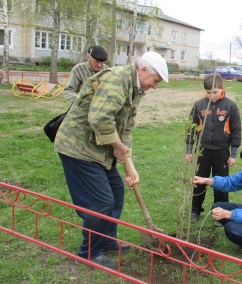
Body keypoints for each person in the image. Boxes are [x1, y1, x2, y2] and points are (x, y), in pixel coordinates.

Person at [54, 51, 168, 269]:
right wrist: (116, 146)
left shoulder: (134, 88)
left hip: (99, 150)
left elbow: (126, 126)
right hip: (79, 147)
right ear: (143, 70)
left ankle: (105, 239)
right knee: (101, 202)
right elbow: (99, 118)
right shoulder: (118, 79)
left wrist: (129, 163)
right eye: (155, 81)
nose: (155, 86)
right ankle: (89, 252)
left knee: (116, 190)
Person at [185, 73, 242, 224]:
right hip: (202, 151)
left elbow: (236, 131)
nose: (211, 96)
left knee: (221, 184)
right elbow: (191, 128)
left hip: (222, 151)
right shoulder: (199, 105)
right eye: (208, 93)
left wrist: (233, 154)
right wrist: (189, 150)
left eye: (215, 92)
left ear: (223, 89)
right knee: (199, 182)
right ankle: (195, 210)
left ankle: (221, 214)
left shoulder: (231, 106)